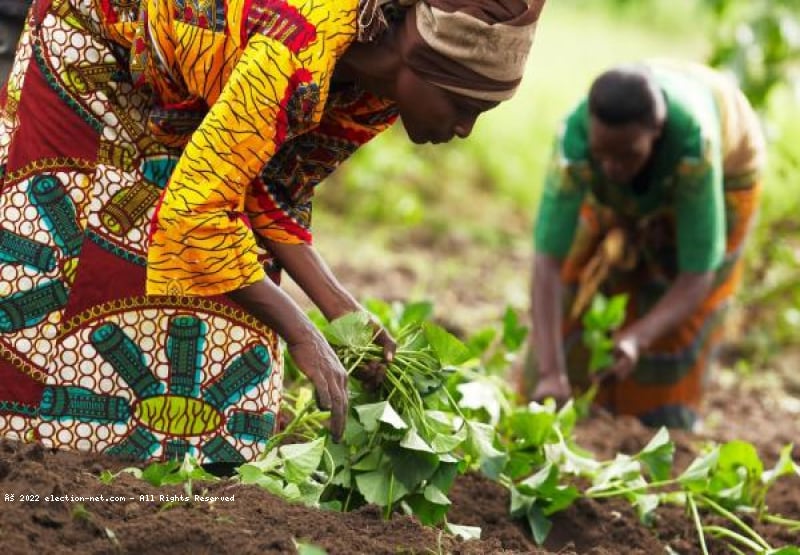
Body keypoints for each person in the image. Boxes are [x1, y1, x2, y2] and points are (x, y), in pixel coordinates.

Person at [0, 0, 545, 463]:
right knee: (74, 254)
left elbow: (271, 185)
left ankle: (162, 476)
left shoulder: (374, 94)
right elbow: (197, 215)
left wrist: (342, 313)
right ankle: (34, 461)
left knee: (227, 331)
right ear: (422, 60)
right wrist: (303, 331)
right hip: (97, 41)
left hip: (198, 88)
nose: (464, 128)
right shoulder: (299, 47)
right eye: (466, 105)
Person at [518, 60, 765, 430]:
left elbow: (698, 273)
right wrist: (551, 370)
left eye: (627, 155)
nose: (613, 168)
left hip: (728, 166)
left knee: (667, 289)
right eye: (603, 155)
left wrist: (639, 337)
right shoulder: (576, 140)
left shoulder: (695, 145)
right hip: (654, 143)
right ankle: (561, 393)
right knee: (580, 270)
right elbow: (548, 261)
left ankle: (659, 424)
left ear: (657, 132)